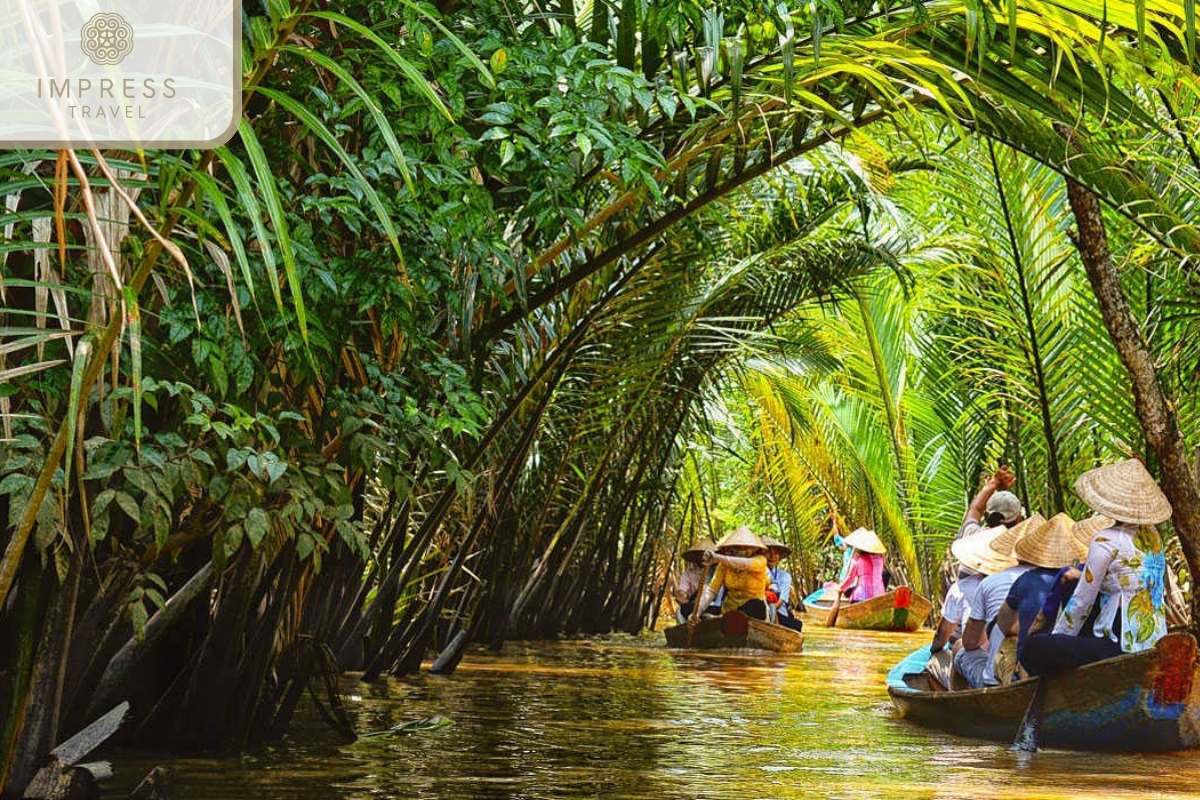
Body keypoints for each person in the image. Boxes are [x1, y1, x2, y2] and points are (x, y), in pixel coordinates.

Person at [1022, 459, 1171, 677]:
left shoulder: (1106, 539)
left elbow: (1082, 600)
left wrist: (1058, 639)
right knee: (1073, 584)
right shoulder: (1154, 538)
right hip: (1154, 640)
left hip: (1120, 646)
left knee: (1033, 648)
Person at [952, 513, 1045, 688]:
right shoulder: (1061, 579)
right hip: (1040, 675)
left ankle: (955, 704)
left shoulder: (990, 583)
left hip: (996, 680)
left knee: (959, 648)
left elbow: (970, 643)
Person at [992, 513, 1082, 682]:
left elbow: (1003, 625)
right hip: (1073, 662)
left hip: (1034, 666)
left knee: (1006, 649)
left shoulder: (1025, 580)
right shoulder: (1085, 578)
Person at [925, 524, 1016, 689]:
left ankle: (954, 700)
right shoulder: (1025, 580)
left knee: (949, 653)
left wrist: (934, 650)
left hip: (991, 671)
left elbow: (946, 636)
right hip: (1015, 666)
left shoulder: (966, 587)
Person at [689, 526, 771, 623]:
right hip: (728, 611)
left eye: (746, 547)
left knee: (756, 605)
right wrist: (697, 612)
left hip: (752, 611)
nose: (742, 549)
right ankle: (723, 619)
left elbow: (744, 564)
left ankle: (723, 619)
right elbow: (711, 591)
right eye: (737, 546)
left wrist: (717, 557)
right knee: (687, 609)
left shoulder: (760, 560)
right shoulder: (723, 565)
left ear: (754, 549)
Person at [957, 465, 1025, 541]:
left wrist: (994, 482)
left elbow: (975, 509)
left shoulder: (971, 536)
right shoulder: (1025, 549)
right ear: (1018, 519)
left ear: (986, 516)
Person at [762, 536, 803, 632]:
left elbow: (781, 601)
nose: (772, 556)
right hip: (761, 609)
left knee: (797, 625)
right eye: (768, 552)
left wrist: (770, 610)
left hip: (778, 612)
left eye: (775, 553)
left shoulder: (785, 576)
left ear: (779, 556)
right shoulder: (756, 572)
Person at [838, 528, 887, 602]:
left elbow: (850, 579)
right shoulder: (880, 559)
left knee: (853, 595)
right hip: (879, 595)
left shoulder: (857, 560)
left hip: (862, 597)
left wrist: (840, 588)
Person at [673, 537, 717, 622]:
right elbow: (681, 593)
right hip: (694, 606)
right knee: (680, 611)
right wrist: (683, 597)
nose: (704, 557)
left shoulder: (719, 572)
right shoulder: (688, 575)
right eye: (702, 554)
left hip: (713, 607)